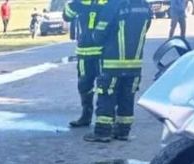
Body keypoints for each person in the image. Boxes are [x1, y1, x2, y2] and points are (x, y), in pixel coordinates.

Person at [84, 0, 151, 143]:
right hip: (135, 63)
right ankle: (123, 131)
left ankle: (102, 132)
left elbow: (99, 35)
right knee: (127, 97)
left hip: (112, 62)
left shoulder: (113, 5)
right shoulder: (145, 6)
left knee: (106, 95)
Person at [63, 0, 109, 128]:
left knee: (105, 86)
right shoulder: (79, 3)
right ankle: (86, 115)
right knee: (84, 85)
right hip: (84, 52)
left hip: (102, 53)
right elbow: (66, 15)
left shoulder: (107, 2)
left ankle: (106, 117)